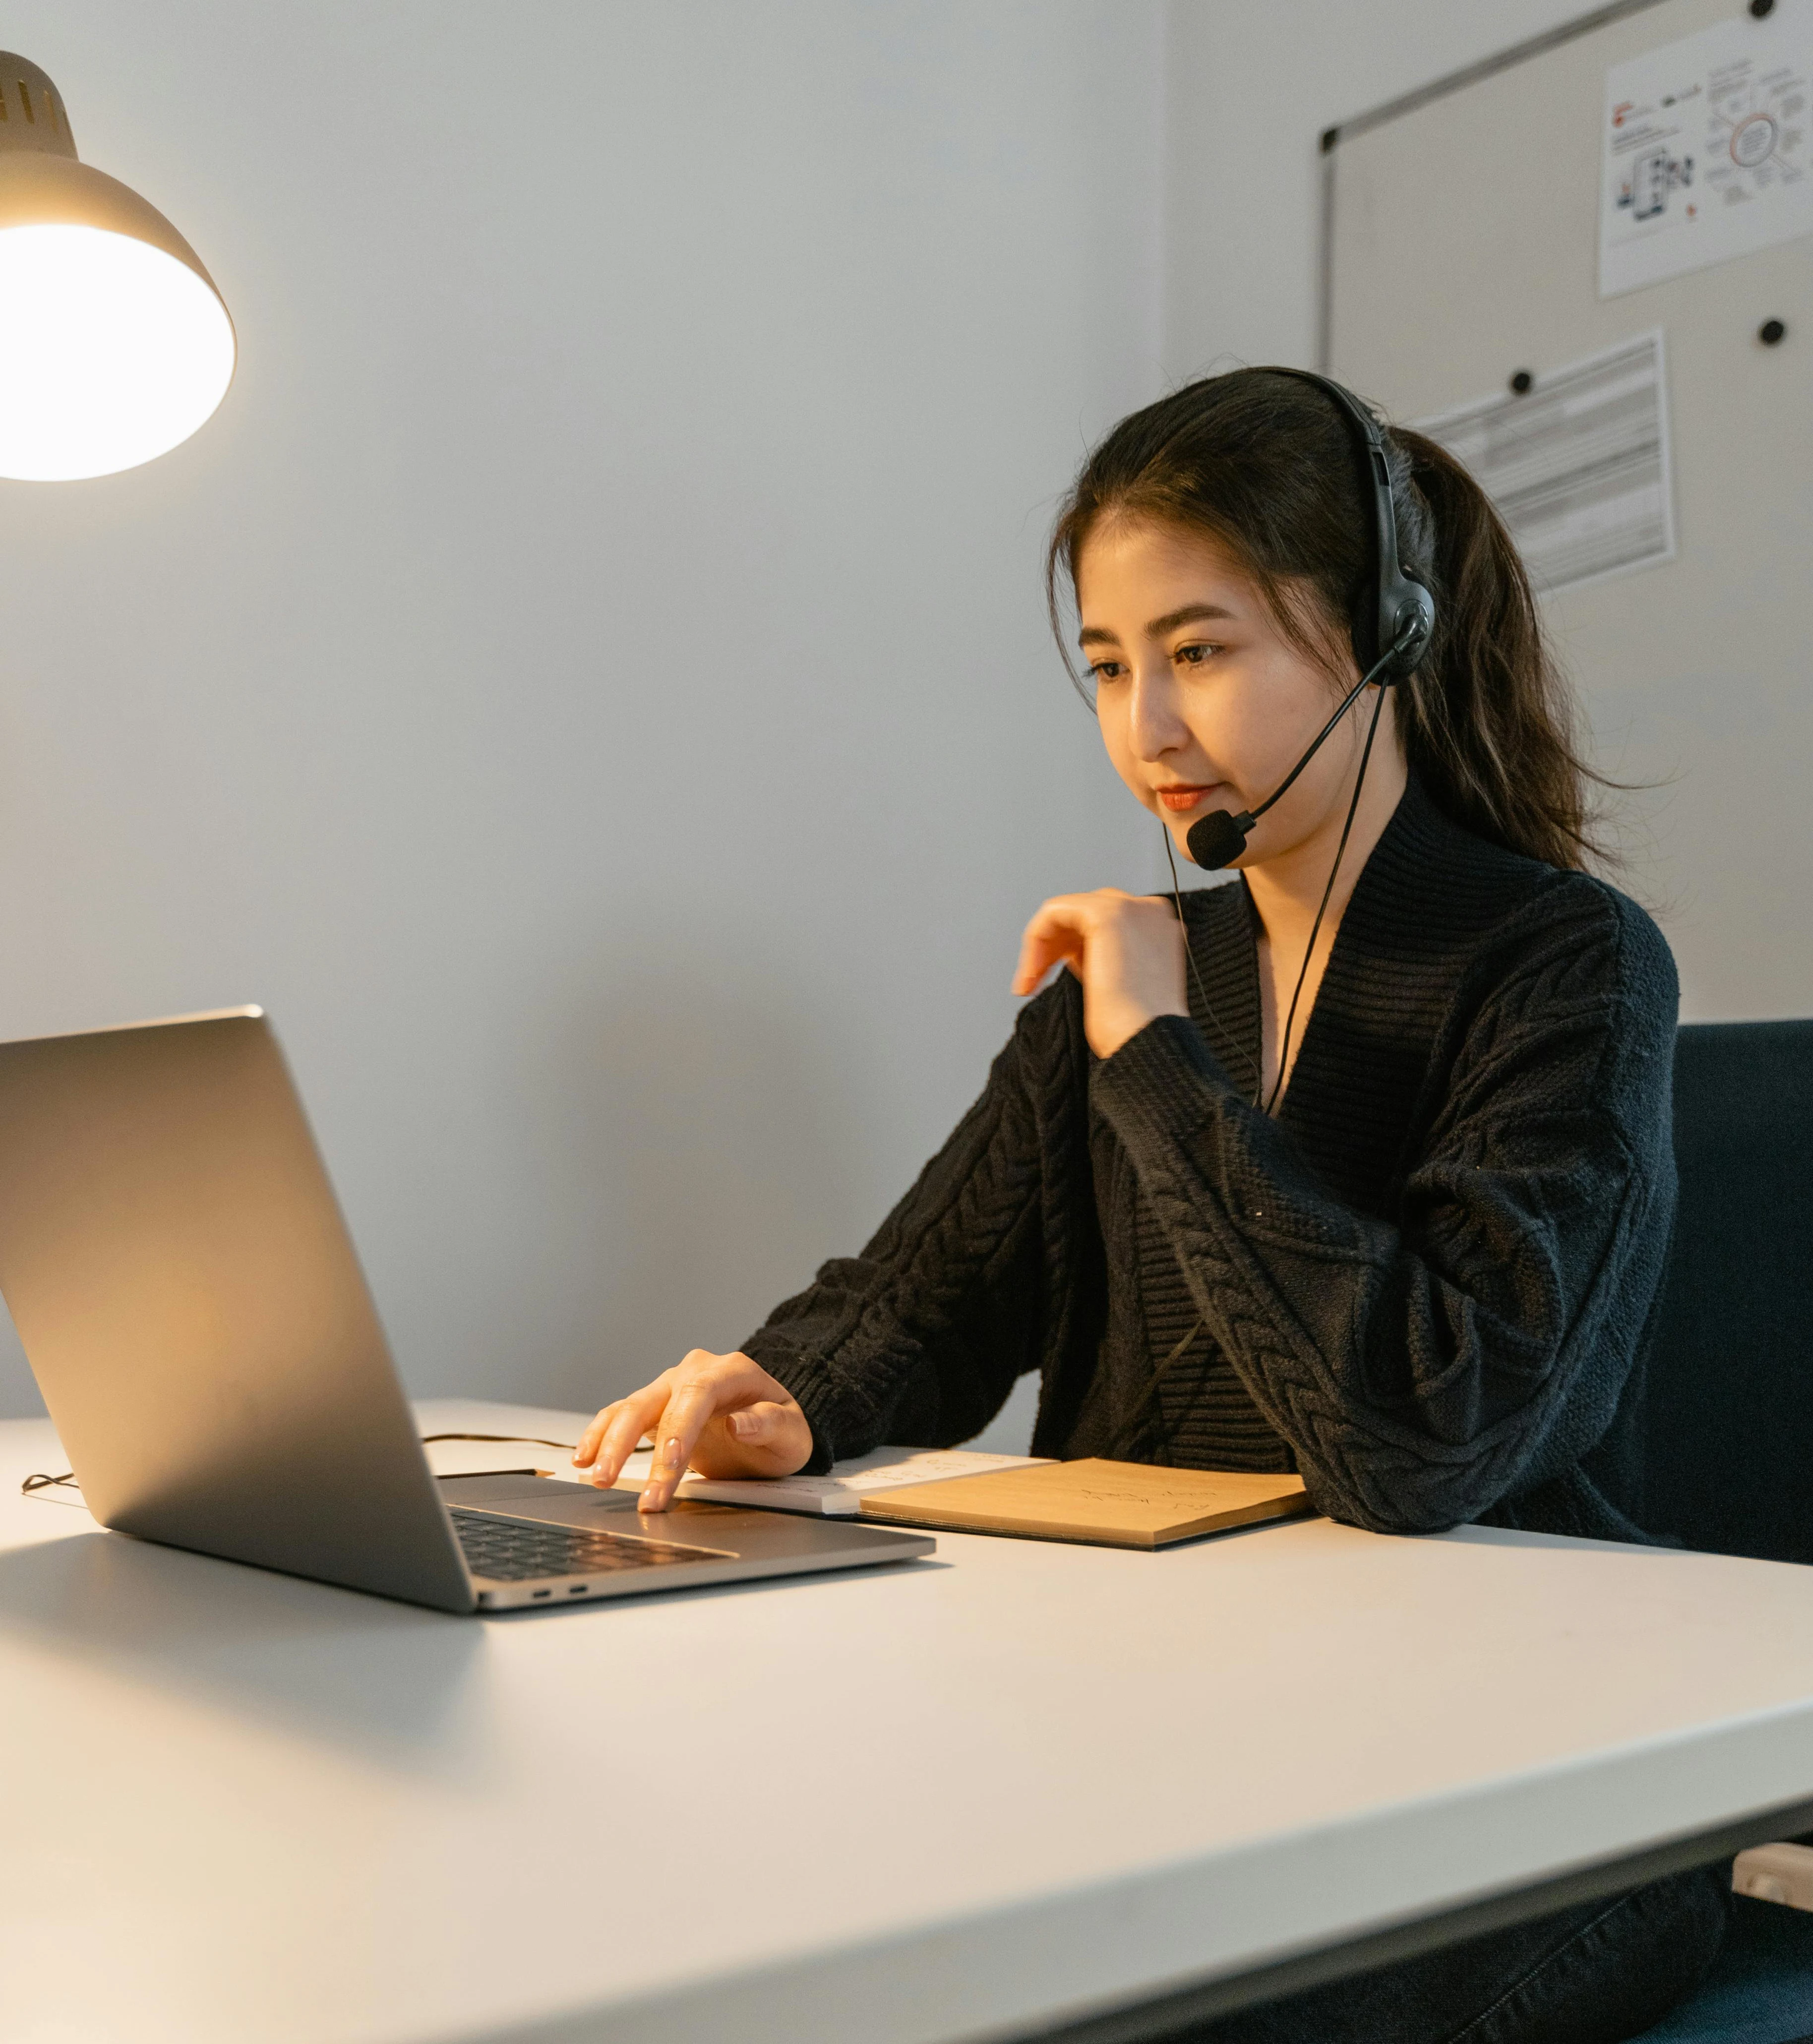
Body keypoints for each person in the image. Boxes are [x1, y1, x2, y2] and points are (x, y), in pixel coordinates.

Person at [570, 368, 1727, 2041]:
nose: (1146, 732)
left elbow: (1422, 1438)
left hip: (1520, 1789)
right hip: (1168, 1728)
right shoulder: (1133, 986)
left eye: (1199, 651)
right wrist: (790, 1395)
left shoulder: (1565, 966)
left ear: (1381, 634)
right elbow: (918, 1303)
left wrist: (1161, 1055)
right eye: (1110, 668)